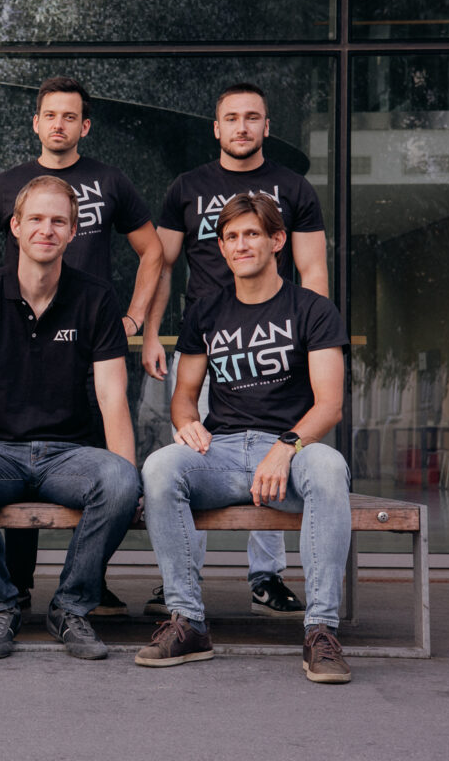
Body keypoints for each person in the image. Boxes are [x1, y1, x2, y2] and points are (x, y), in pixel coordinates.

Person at [0, 75, 162, 614]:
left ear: (85, 126)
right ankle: (18, 583)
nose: (59, 124)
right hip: (23, 337)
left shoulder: (109, 180)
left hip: (90, 334)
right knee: (18, 435)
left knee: (99, 458)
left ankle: (88, 581)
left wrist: (134, 317)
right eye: (50, 115)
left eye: (70, 116)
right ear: (36, 122)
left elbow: (152, 251)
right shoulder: (9, 184)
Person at [137, 193, 351, 684]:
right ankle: (188, 621)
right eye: (231, 236)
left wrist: (286, 446)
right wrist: (186, 421)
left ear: (277, 240)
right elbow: (185, 395)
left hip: (291, 454)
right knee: (159, 467)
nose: (240, 244)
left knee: (329, 467)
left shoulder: (313, 309)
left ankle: (321, 630)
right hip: (224, 451)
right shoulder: (206, 312)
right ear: (222, 248)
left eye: (251, 233)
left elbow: (330, 404)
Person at [0, 176, 141, 660]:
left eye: (58, 221)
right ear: (16, 227)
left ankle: (69, 607)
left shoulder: (96, 297)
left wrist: (127, 476)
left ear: (73, 232)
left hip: (69, 454)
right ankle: (1, 606)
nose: (47, 229)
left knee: (120, 481)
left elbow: (113, 394)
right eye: (37, 220)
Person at [141, 82, 329, 617]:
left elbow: (312, 269)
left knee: (275, 445)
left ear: (266, 127)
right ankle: (182, 577)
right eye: (231, 118)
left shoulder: (292, 188)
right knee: (191, 450)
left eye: (253, 117)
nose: (242, 126)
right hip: (207, 340)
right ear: (216, 127)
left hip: (279, 342)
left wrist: (313, 335)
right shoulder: (187, 187)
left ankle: (266, 577)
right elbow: (162, 263)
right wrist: (154, 333)